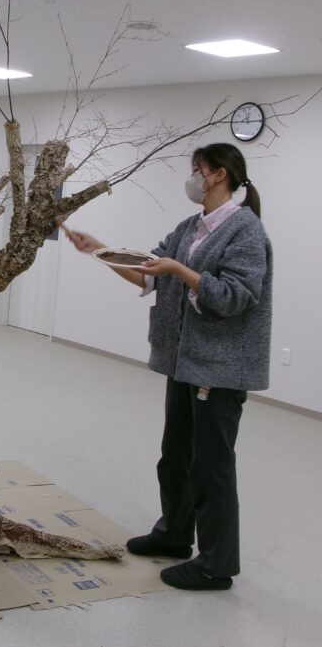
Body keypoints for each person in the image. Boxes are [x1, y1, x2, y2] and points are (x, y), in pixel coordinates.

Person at [65, 143, 272, 591]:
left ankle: (216, 565)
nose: (192, 178)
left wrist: (179, 269)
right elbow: (147, 272)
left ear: (218, 175)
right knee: (175, 456)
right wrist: (99, 250)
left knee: (211, 467)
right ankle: (175, 535)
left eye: (197, 169)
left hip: (218, 369)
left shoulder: (246, 231)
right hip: (183, 362)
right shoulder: (189, 227)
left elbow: (235, 296)